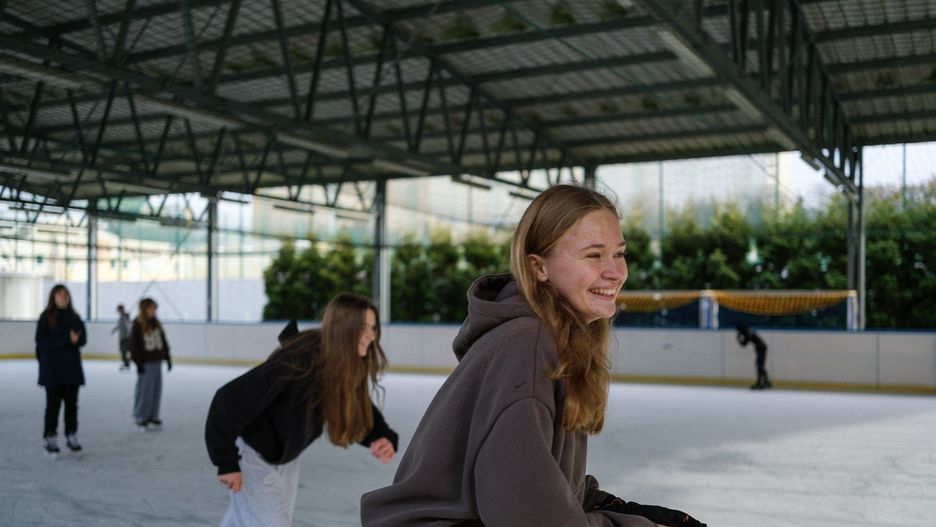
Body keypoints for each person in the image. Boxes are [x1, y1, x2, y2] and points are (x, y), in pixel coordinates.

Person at [361, 184, 705, 527]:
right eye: (593, 255)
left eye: (619, 253)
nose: (616, 272)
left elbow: (537, 483)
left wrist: (612, 507)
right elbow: (530, 519)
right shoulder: (530, 348)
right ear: (539, 267)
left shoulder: (551, 340)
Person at [205, 293, 399, 527]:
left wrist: (380, 435)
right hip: (253, 456)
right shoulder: (299, 361)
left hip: (286, 458)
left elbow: (356, 406)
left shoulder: (343, 365)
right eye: (363, 328)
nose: (371, 336)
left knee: (247, 521)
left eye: (373, 328)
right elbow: (228, 400)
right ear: (343, 328)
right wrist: (226, 461)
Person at [35, 284, 87, 455]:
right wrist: (67, 340)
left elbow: (83, 339)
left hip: (71, 370)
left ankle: (71, 435)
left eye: (65, 294)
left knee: (72, 406)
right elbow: (42, 343)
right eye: (59, 294)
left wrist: (77, 340)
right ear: (53, 297)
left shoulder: (75, 317)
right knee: (53, 406)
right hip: (53, 371)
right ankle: (50, 436)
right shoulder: (45, 317)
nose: (63, 297)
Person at [128, 297, 172, 429]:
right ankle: (141, 415)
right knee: (144, 390)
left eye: (154, 308)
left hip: (157, 361)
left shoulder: (156, 323)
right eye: (151, 308)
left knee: (156, 389)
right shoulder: (137, 324)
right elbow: (133, 346)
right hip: (146, 363)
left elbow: (163, 341)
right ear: (144, 309)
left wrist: (167, 357)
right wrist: (138, 363)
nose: (153, 310)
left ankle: (153, 415)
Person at [736, 323, 771, 390]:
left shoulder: (747, 333)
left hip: (761, 349)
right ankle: (766, 382)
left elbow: (744, 344)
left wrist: (739, 339)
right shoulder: (748, 332)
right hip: (761, 348)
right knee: (760, 366)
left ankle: (760, 382)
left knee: (759, 366)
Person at [111, 304, 132, 370]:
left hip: (126, 337)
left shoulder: (125, 316)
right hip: (122, 337)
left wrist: (129, 335)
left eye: (118, 309)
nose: (117, 310)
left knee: (124, 351)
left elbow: (128, 325)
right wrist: (114, 330)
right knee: (122, 351)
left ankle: (127, 363)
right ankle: (127, 363)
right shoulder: (121, 317)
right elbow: (119, 326)